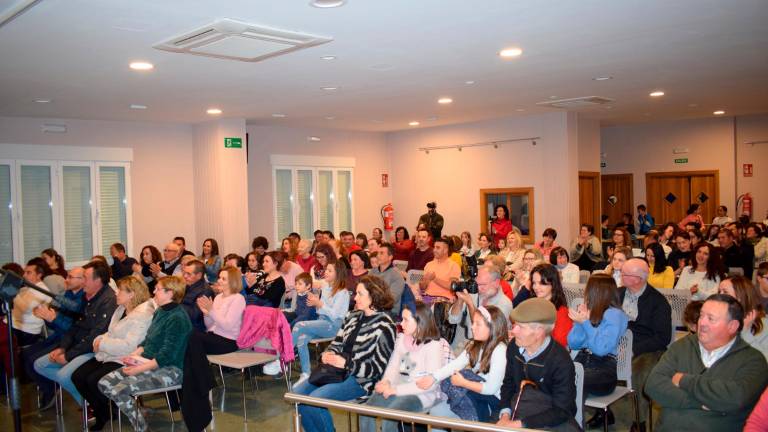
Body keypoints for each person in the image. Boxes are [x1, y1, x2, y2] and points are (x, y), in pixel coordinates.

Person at [646, 294, 768, 431]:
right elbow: (653, 385)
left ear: (732, 326)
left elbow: (735, 398)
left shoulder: (753, 361)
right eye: (701, 316)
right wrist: (698, 402)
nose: (702, 323)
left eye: (711, 319)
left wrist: (683, 380)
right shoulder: (682, 347)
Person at [294, 275, 396, 432]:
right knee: (297, 394)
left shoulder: (385, 325)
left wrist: (347, 364)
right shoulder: (352, 315)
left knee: (315, 399)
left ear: (374, 296)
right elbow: (337, 343)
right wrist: (328, 354)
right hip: (336, 371)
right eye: (356, 293)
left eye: (360, 294)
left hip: (361, 381)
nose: (355, 298)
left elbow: (378, 369)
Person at [98, 276, 193, 432]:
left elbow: (166, 356)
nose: (153, 291)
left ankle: (141, 427)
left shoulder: (178, 317)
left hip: (172, 369)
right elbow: (148, 342)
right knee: (104, 383)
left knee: (117, 389)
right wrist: (134, 355)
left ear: (170, 293)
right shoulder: (160, 311)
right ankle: (139, 412)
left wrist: (138, 369)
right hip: (151, 363)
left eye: (157, 289)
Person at [71, 276, 154, 430]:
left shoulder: (142, 315)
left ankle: (105, 413)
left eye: (120, 291)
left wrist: (102, 343)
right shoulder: (120, 309)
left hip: (126, 358)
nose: (116, 293)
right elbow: (110, 332)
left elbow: (130, 347)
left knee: (93, 380)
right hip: (109, 354)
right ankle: (104, 411)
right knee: (77, 377)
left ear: (132, 294)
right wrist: (99, 339)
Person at [33, 260, 117, 408]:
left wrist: (68, 356)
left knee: (64, 376)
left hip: (93, 349)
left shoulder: (108, 300)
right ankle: (89, 401)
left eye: (85, 277)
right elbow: (75, 326)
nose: (82, 281)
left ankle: (93, 405)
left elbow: (95, 336)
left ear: (97, 281)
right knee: (40, 364)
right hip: (78, 345)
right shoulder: (88, 296)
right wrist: (63, 348)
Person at [360, 302, 446, 432]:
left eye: (406, 320)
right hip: (396, 387)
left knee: (390, 417)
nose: (401, 324)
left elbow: (430, 385)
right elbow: (393, 365)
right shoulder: (402, 338)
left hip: (421, 394)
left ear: (420, 322)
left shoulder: (434, 346)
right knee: (366, 412)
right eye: (402, 319)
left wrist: (395, 390)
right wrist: (386, 381)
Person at [181, 266, 246, 432]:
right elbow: (211, 325)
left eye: (224, 278)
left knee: (193, 337)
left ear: (232, 281)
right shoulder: (217, 298)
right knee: (191, 338)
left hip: (229, 341)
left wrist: (211, 311)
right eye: (219, 277)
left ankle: (205, 380)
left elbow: (228, 325)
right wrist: (206, 314)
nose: (219, 281)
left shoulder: (237, 299)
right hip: (214, 337)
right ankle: (202, 382)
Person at [496, 298, 577, 430]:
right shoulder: (514, 348)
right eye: (514, 325)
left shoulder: (560, 361)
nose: (513, 331)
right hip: (519, 409)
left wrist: (519, 424)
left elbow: (562, 410)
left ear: (539, 331)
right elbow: (508, 385)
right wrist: (505, 414)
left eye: (520, 327)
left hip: (550, 419)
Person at [419, 305, 508, 425]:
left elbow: (491, 389)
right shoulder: (476, 344)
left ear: (492, 327)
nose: (472, 327)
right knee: (437, 412)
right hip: (476, 393)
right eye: (473, 323)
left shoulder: (500, 350)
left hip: (492, 401)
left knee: (444, 407)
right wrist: (433, 377)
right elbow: (456, 364)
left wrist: (463, 383)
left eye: (478, 324)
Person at [569, 274, 630, 428]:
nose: (585, 294)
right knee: (558, 377)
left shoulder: (614, 314)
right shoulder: (592, 313)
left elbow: (601, 349)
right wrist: (580, 323)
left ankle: (574, 427)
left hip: (603, 369)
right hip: (583, 361)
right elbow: (573, 343)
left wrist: (586, 323)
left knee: (571, 383)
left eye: (588, 290)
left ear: (596, 292)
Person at [618, 258, 672, 432]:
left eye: (624, 274)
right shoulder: (617, 294)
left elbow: (662, 338)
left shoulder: (658, 302)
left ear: (638, 279)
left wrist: (633, 349)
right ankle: (604, 411)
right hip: (618, 342)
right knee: (593, 360)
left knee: (638, 372)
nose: (620, 275)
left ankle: (639, 421)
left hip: (648, 348)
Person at [21, 267, 86, 410]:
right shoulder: (67, 294)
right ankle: (50, 384)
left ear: (83, 280)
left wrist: (53, 318)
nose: (66, 280)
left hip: (70, 341)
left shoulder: (83, 299)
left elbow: (75, 330)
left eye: (70, 277)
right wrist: (47, 317)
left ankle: (50, 389)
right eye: (67, 276)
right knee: (25, 355)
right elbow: (58, 324)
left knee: (33, 361)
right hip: (59, 336)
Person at [292, 260, 351, 382]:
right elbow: (320, 312)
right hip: (322, 322)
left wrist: (319, 304)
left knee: (299, 325)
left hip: (334, 326)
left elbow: (335, 315)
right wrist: (317, 304)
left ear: (338, 273)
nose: (326, 272)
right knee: (302, 340)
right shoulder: (326, 287)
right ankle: (306, 373)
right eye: (326, 270)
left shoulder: (343, 292)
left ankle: (284, 355)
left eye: (330, 271)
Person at [449, 266, 512, 352]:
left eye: (483, 284)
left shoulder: (505, 304)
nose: (478, 288)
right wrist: (460, 299)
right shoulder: (474, 294)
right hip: (459, 347)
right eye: (477, 284)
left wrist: (470, 304)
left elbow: (487, 333)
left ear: (496, 283)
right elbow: (452, 319)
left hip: (485, 351)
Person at [718, 276, 768, 360]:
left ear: (740, 297)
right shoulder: (720, 320)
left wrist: (745, 331)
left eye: (725, 292)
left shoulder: (764, 324)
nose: (719, 296)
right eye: (719, 291)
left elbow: (764, 360)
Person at [530, 263, 572, 347]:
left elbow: (560, 342)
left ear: (553, 284)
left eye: (541, 283)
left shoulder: (561, 311)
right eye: (534, 283)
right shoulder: (532, 305)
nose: (536, 287)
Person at [370, 242, 406, 317]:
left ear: (390, 257)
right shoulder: (372, 271)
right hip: (371, 307)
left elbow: (390, 301)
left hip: (388, 312)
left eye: (381, 253)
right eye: (378, 253)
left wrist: (370, 304)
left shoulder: (397, 276)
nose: (378, 256)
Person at [419, 237, 461, 301]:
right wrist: (424, 281)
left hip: (444, 300)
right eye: (434, 247)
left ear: (446, 250)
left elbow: (452, 287)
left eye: (438, 248)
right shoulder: (429, 264)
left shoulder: (454, 266)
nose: (434, 250)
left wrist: (434, 279)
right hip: (427, 297)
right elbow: (422, 287)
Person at [180, 260, 214, 332]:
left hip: (193, 330)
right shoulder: (188, 284)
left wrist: (174, 303)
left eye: (188, 274)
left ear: (199, 275)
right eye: (184, 272)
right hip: (181, 322)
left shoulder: (205, 291)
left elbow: (194, 316)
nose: (185, 276)